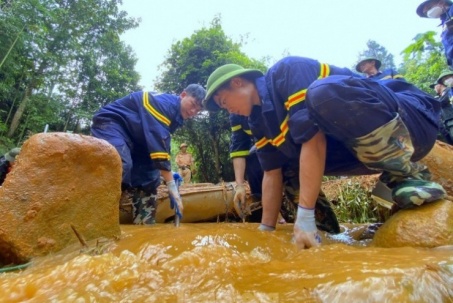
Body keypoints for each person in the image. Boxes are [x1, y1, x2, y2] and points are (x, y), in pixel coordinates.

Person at [203, 56, 446, 249]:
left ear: (237, 82)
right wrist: (266, 232)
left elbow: (313, 139)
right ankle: (323, 231)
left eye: (224, 102)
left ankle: (407, 176)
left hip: (411, 121)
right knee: (260, 157)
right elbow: (272, 174)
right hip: (355, 148)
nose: (228, 110)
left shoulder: (287, 72)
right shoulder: (258, 121)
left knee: (322, 94)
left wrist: (304, 213)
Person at [91, 84, 206, 225]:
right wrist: (171, 186)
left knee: (150, 178)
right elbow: (159, 145)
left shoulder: (176, 115)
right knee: (120, 162)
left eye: (198, 110)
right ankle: (97, 213)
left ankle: (144, 224)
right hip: (113, 124)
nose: (193, 111)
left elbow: (160, 145)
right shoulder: (164, 104)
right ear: (183, 95)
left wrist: (167, 174)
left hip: (139, 140)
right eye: (193, 104)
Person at [229, 113, 340, 233]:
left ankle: (326, 228)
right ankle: (270, 217)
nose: (227, 107)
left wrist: (306, 214)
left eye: (224, 100)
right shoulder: (239, 116)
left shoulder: (272, 98)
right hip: (274, 154)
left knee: (292, 176)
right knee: (255, 158)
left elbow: (309, 131)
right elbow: (239, 147)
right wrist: (239, 186)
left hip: (307, 147)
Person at [417, 0, 453, 66]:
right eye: (426, 13)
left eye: (429, 8)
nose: (428, 13)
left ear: (441, 2)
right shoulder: (444, 24)